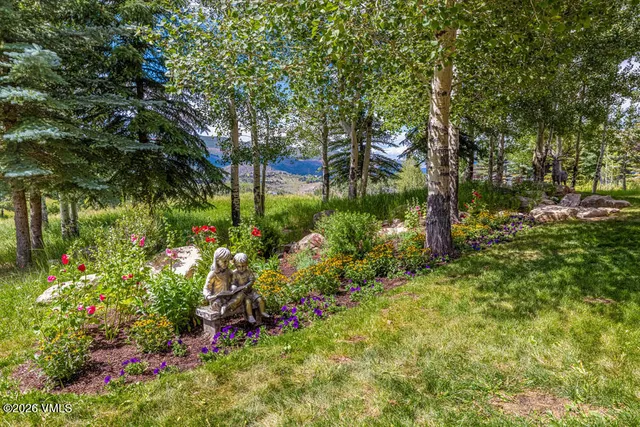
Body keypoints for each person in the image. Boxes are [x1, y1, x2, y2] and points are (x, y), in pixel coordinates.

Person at [231, 253, 269, 323]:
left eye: (244, 266)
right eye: (239, 266)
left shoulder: (248, 271)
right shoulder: (235, 273)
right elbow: (233, 283)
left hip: (251, 290)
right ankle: (250, 316)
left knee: (260, 299)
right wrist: (234, 287)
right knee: (248, 302)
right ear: (235, 265)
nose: (242, 268)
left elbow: (252, 280)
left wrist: (248, 285)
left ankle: (263, 311)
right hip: (243, 293)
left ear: (247, 264)